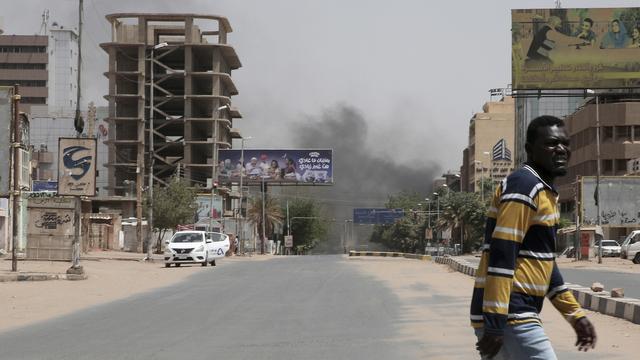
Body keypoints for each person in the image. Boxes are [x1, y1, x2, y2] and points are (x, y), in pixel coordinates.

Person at [472, 116, 596, 359]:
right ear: (530, 150)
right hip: (512, 313)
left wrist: (574, 314)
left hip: (513, 312)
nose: (561, 149)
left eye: (565, 143)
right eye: (551, 143)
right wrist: (496, 322)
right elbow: (502, 253)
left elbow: (545, 264)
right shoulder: (524, 185)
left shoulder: (544, 192)